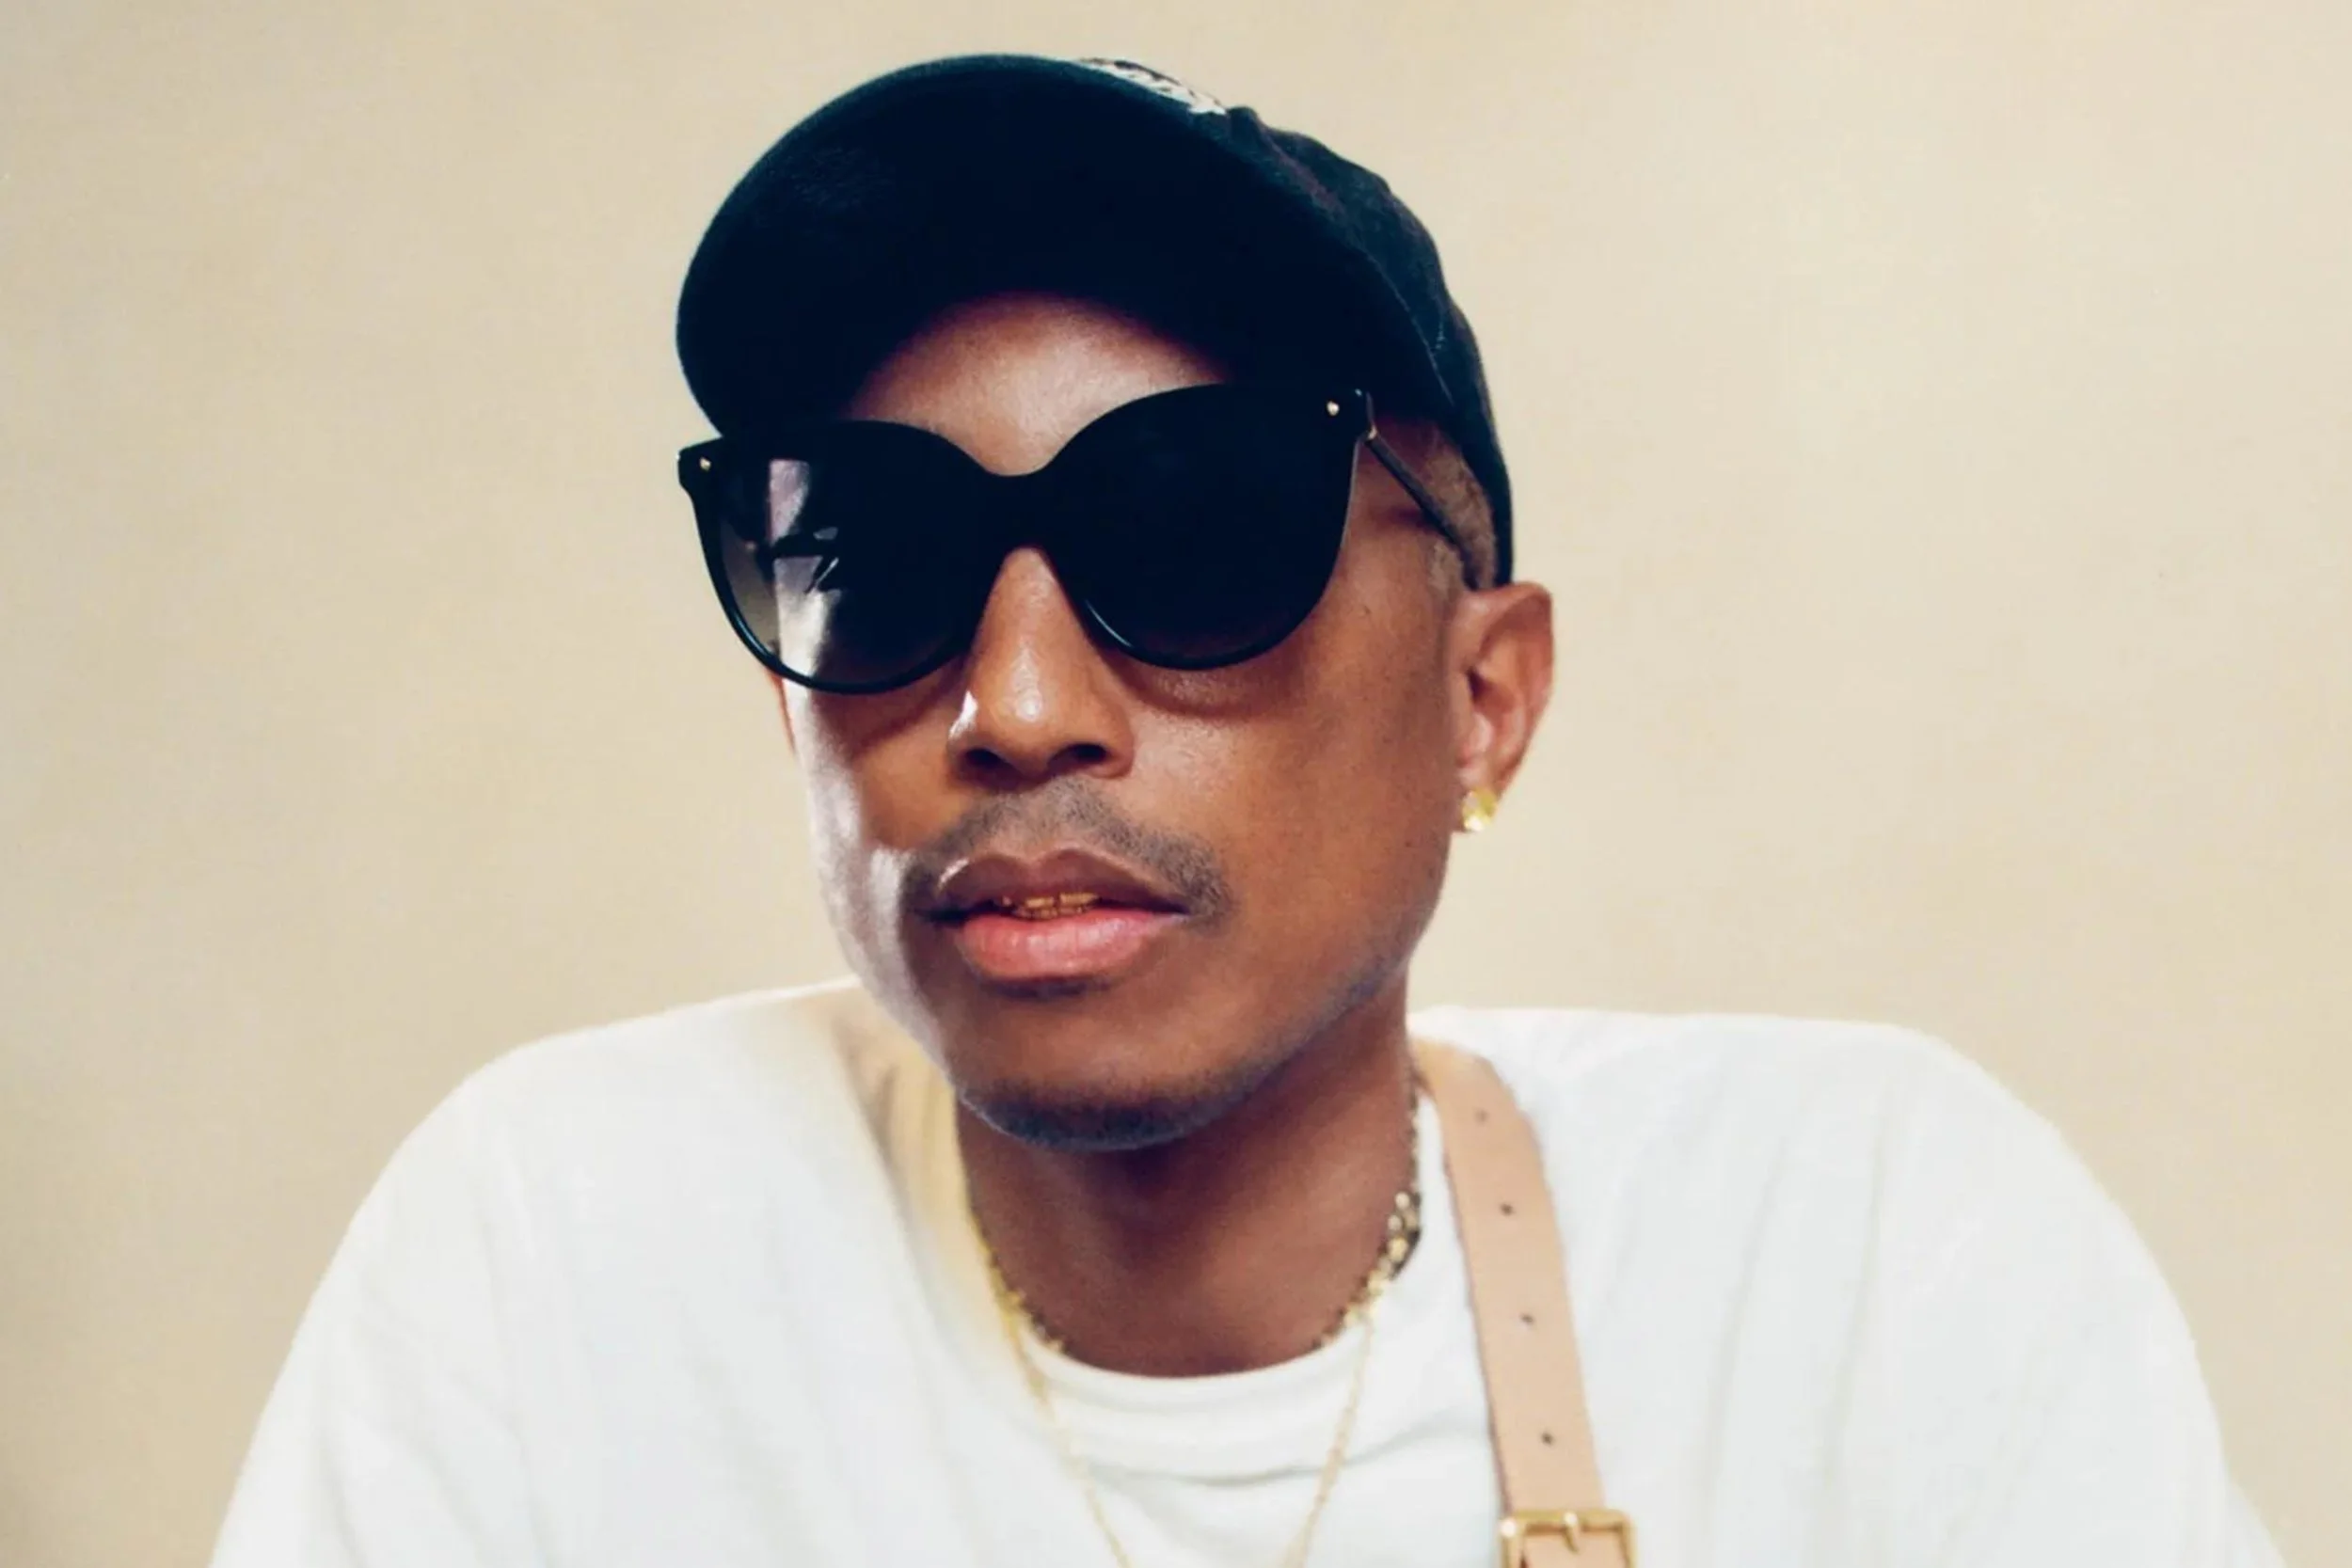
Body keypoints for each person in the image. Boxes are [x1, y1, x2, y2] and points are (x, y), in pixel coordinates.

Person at [212, 54, 2281, 1568]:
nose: (1015, 707)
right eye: (875, 556)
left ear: (1482, 698)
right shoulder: (563, 1251)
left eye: (1195, 533)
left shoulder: (1862, 1257)